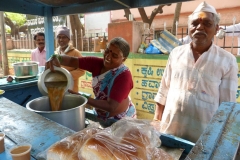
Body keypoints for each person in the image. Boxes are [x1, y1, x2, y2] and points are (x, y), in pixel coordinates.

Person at [153, 1, 238, 143]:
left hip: (203, 141)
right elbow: (164, 90)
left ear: (216, 28)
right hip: (169, 133)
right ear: (188, 27)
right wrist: (156, 121)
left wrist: (220, 142)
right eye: (194, 23)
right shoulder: (176, 53)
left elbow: (227, 107)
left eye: (207, 23)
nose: (199, 27)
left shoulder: (227, 61)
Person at [46, 37, 136, 127]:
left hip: (121, 121)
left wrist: (82, 98)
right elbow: (71, 60)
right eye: (107, 51)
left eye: (115, 56)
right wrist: (56, 57)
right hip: (102, 118)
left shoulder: (124, 76)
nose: (108, 56)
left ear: (123, 59)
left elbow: (111, 106)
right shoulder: (97, 63)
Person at [55, 26, 85, 92]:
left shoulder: (75, 53)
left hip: (71, 89)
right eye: (59, 37)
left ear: (68, 39)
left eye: (64, 37)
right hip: (59, 87)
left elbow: (82, 70)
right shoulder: (56, 53)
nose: (61, 40)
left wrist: (66, 75)